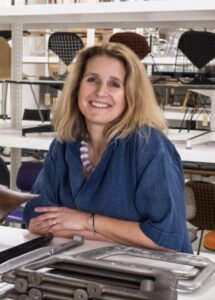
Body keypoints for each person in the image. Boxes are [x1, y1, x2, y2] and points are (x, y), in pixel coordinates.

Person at [23, 42, 192, 254]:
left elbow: (167, 239)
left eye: (114, 84)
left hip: (152, 277)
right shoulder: (64, 144)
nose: (100, 92)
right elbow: (36, 219)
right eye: (92, 80)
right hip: (82, 268)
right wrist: (127, 234)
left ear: (130, 94)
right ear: (77, 87)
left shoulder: (148, 145)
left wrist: (84, 221)